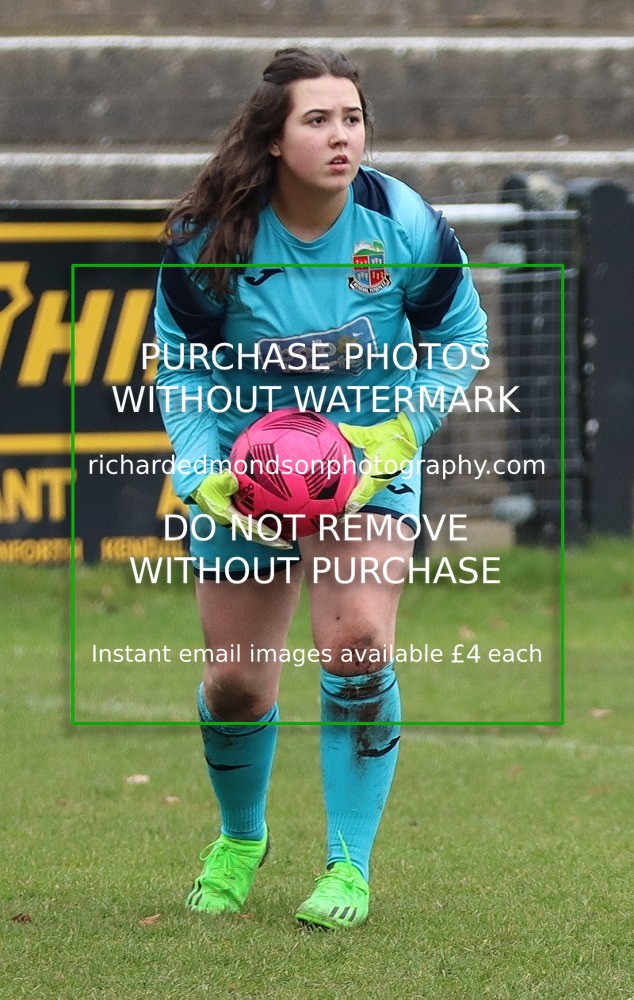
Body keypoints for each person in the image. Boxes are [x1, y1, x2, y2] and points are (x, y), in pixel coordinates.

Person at [154, 46, 487, 930]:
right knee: (235, 685)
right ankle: (240, 837)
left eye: (352, 118)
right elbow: (182, 363)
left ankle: (347, 866)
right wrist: (196, 465)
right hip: (247, 471)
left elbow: (460, 332)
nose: (342, 137)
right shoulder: (211, 233)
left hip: (365, 466)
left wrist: (398, 431)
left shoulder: (401, 220)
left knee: (357, 646)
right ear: (272, 138)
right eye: (318, 120)